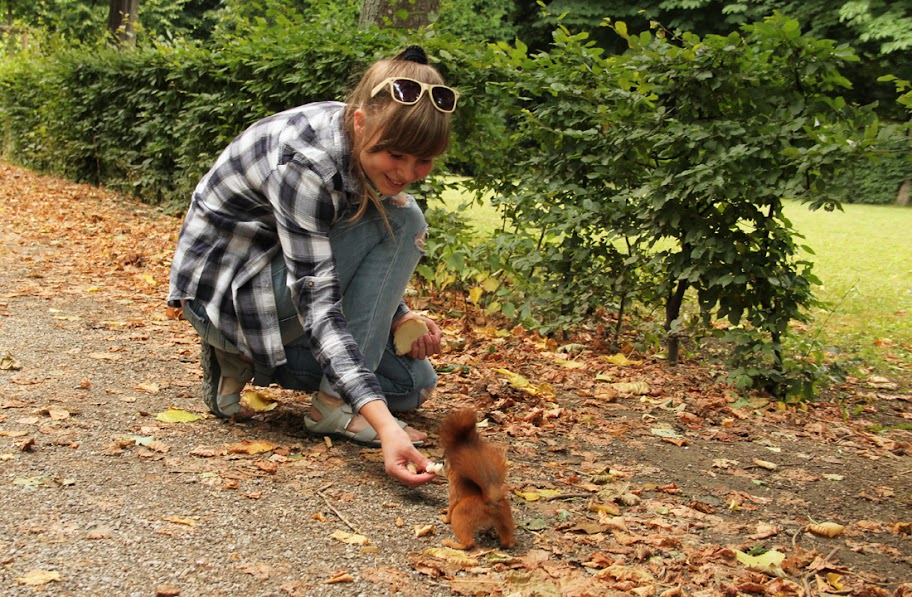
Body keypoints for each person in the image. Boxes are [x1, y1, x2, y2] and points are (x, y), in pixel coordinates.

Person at [168, 45, 459, 487]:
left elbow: (337, 248)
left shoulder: (366, 133)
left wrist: (399, 314)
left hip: (279, 278)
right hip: (228, 293)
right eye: (396, 156)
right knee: (405, 217)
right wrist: (383, 428)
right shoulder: (306, 162)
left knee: (410, 386)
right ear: (361, 123)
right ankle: (328, 406)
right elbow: (318, 300)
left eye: (423, 160)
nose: (407, 172)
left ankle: (246, 359)